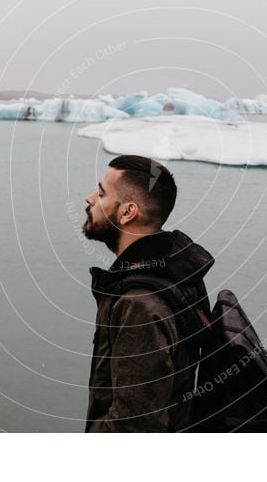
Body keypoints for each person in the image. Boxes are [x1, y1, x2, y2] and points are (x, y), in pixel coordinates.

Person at [82, 154, 215, 432]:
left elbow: (133, 426)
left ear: (127, 212)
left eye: (102, 193)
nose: (90, 198)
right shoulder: (178, 271)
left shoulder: (139, 304)